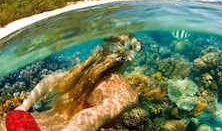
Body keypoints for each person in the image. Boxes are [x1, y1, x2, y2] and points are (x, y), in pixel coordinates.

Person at [0, 34, 143, 131]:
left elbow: (49, 80)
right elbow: (87, 117)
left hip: (16, 121)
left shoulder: (81, 73)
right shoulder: (126, 94)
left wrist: (24, 106)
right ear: (130, 57)